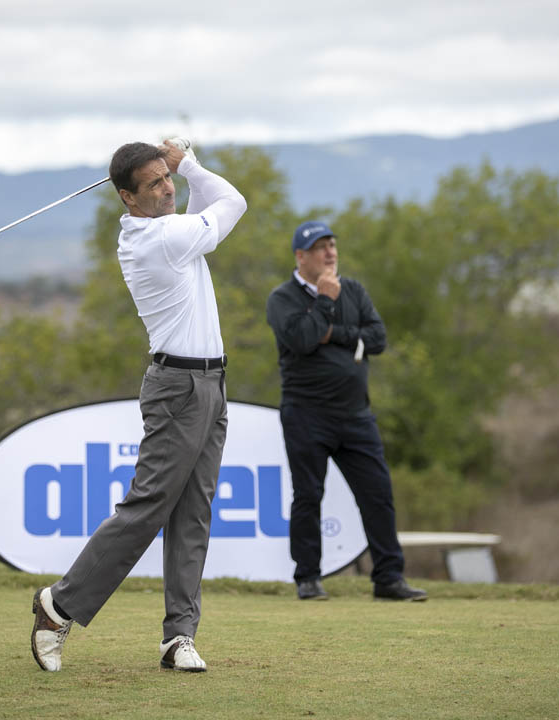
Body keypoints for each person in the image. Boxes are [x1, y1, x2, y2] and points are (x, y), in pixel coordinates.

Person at [30, 138, 246, 673]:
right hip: (179, 388)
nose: (168, 188)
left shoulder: (167, 231)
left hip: (211, 382)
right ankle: (58, 607)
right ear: (128, 197)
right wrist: (188, 163)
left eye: (167, 178)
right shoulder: (159, 240)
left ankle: (179, 637)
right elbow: (232, 202)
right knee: (147, 507)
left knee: (193, 512)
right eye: (154, 183)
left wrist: (184, 171)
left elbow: (201, 208)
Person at [265, 220, 427, 602]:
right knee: (308, 496)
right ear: (300, 256)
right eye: (320, 247)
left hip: (356, 415)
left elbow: (378, 338)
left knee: (378, 495)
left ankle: (388, 578)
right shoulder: (282, 298)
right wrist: (325, 301)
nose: (330, 253)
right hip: (306, 415)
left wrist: (334, 334)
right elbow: (303, 339)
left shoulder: (353, 290)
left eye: (332, 245)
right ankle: (308, 577)